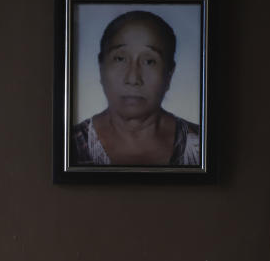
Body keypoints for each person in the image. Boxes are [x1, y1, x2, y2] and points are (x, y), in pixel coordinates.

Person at [71, 10, 200, 166]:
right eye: (120, 58)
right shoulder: (70, 144)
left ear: (169, 74)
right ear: (101, 67)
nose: (133, 78)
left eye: (149, 61)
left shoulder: (201, 144)